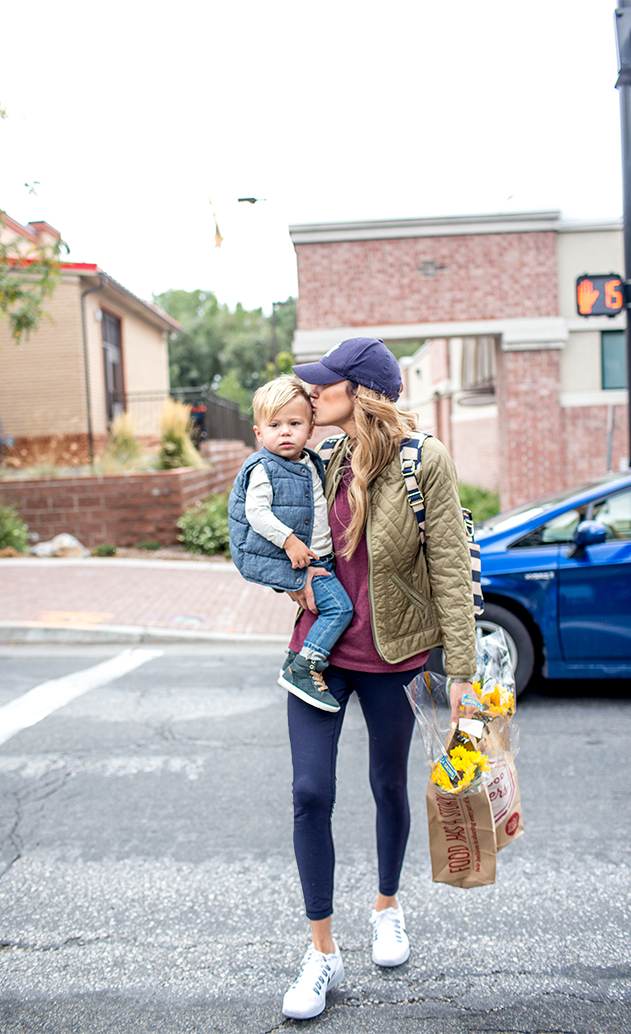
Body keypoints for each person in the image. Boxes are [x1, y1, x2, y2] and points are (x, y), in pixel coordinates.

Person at [279, 337, 476, 1021]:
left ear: (359, 393)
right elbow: (273, 537)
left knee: (387, 785)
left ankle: (387, 906)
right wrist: (292, 576)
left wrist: (461, 674)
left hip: (394, 659)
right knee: (310, 793)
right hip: (319, 656)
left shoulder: (426, 463)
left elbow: (450, 568)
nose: (312, 393)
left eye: (325, 384)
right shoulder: (319, 459)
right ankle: (321, 952)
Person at [229, 376, 354, 712]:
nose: (284, 432)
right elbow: (255, 512)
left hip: (322, 559)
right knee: (340, 609)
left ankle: (294, 658)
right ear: (258, 433)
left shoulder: (309, 462)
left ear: (311, 428)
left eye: (294, 423)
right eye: (274, 425)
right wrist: (289, 542)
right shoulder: (263, 468)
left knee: (325, 610)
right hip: (308, 561)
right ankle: (305, 667)